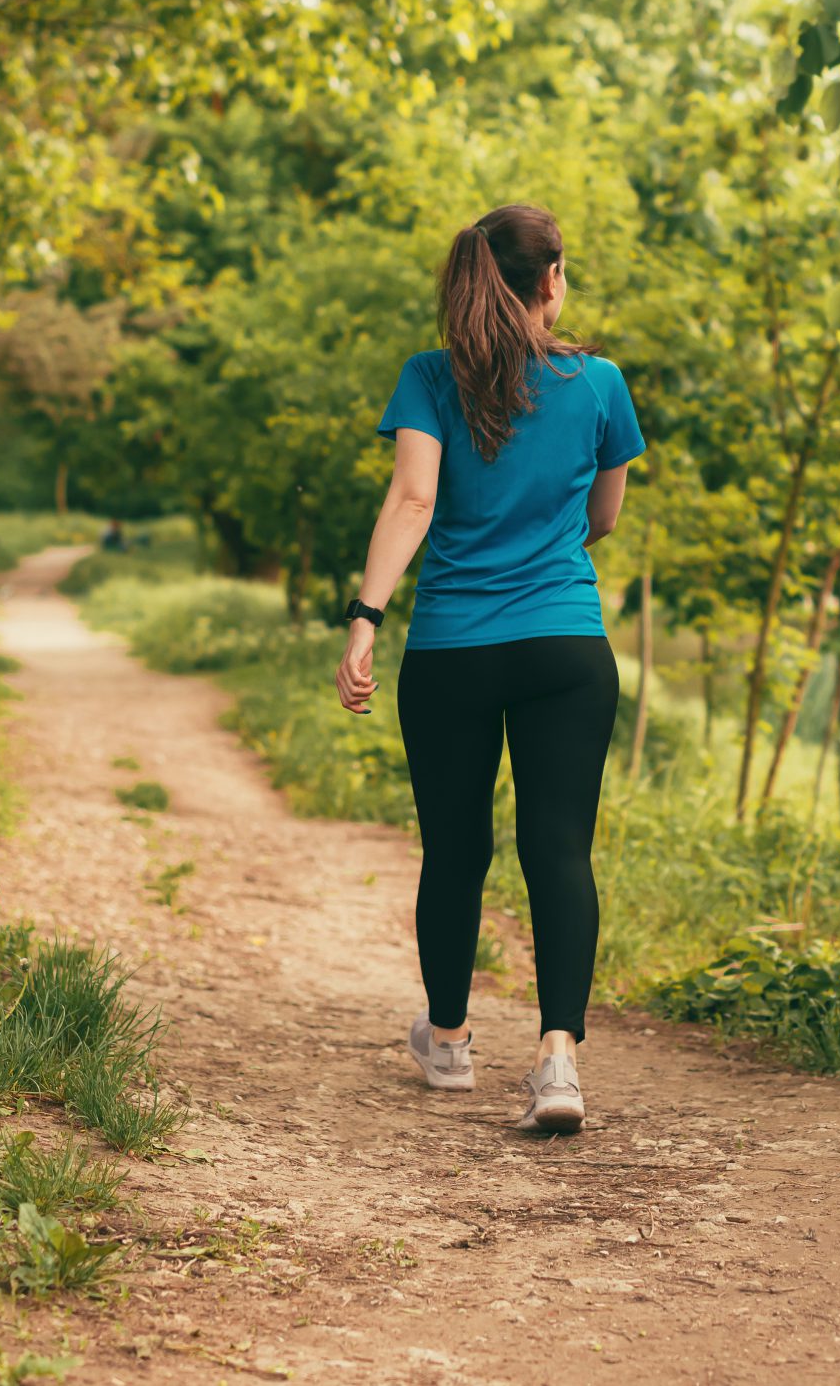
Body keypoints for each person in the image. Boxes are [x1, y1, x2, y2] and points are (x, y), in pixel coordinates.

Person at [334, 204, 643, 1135]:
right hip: (564, 647)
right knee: (558, 847)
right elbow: (604, 517)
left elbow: (414, 497)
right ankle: (557, 1060)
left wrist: (365, 618)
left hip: (451, 650)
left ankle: (454, 1040)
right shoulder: (600, 384)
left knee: (457, 847)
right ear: (551, 279)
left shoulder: (430, 379)